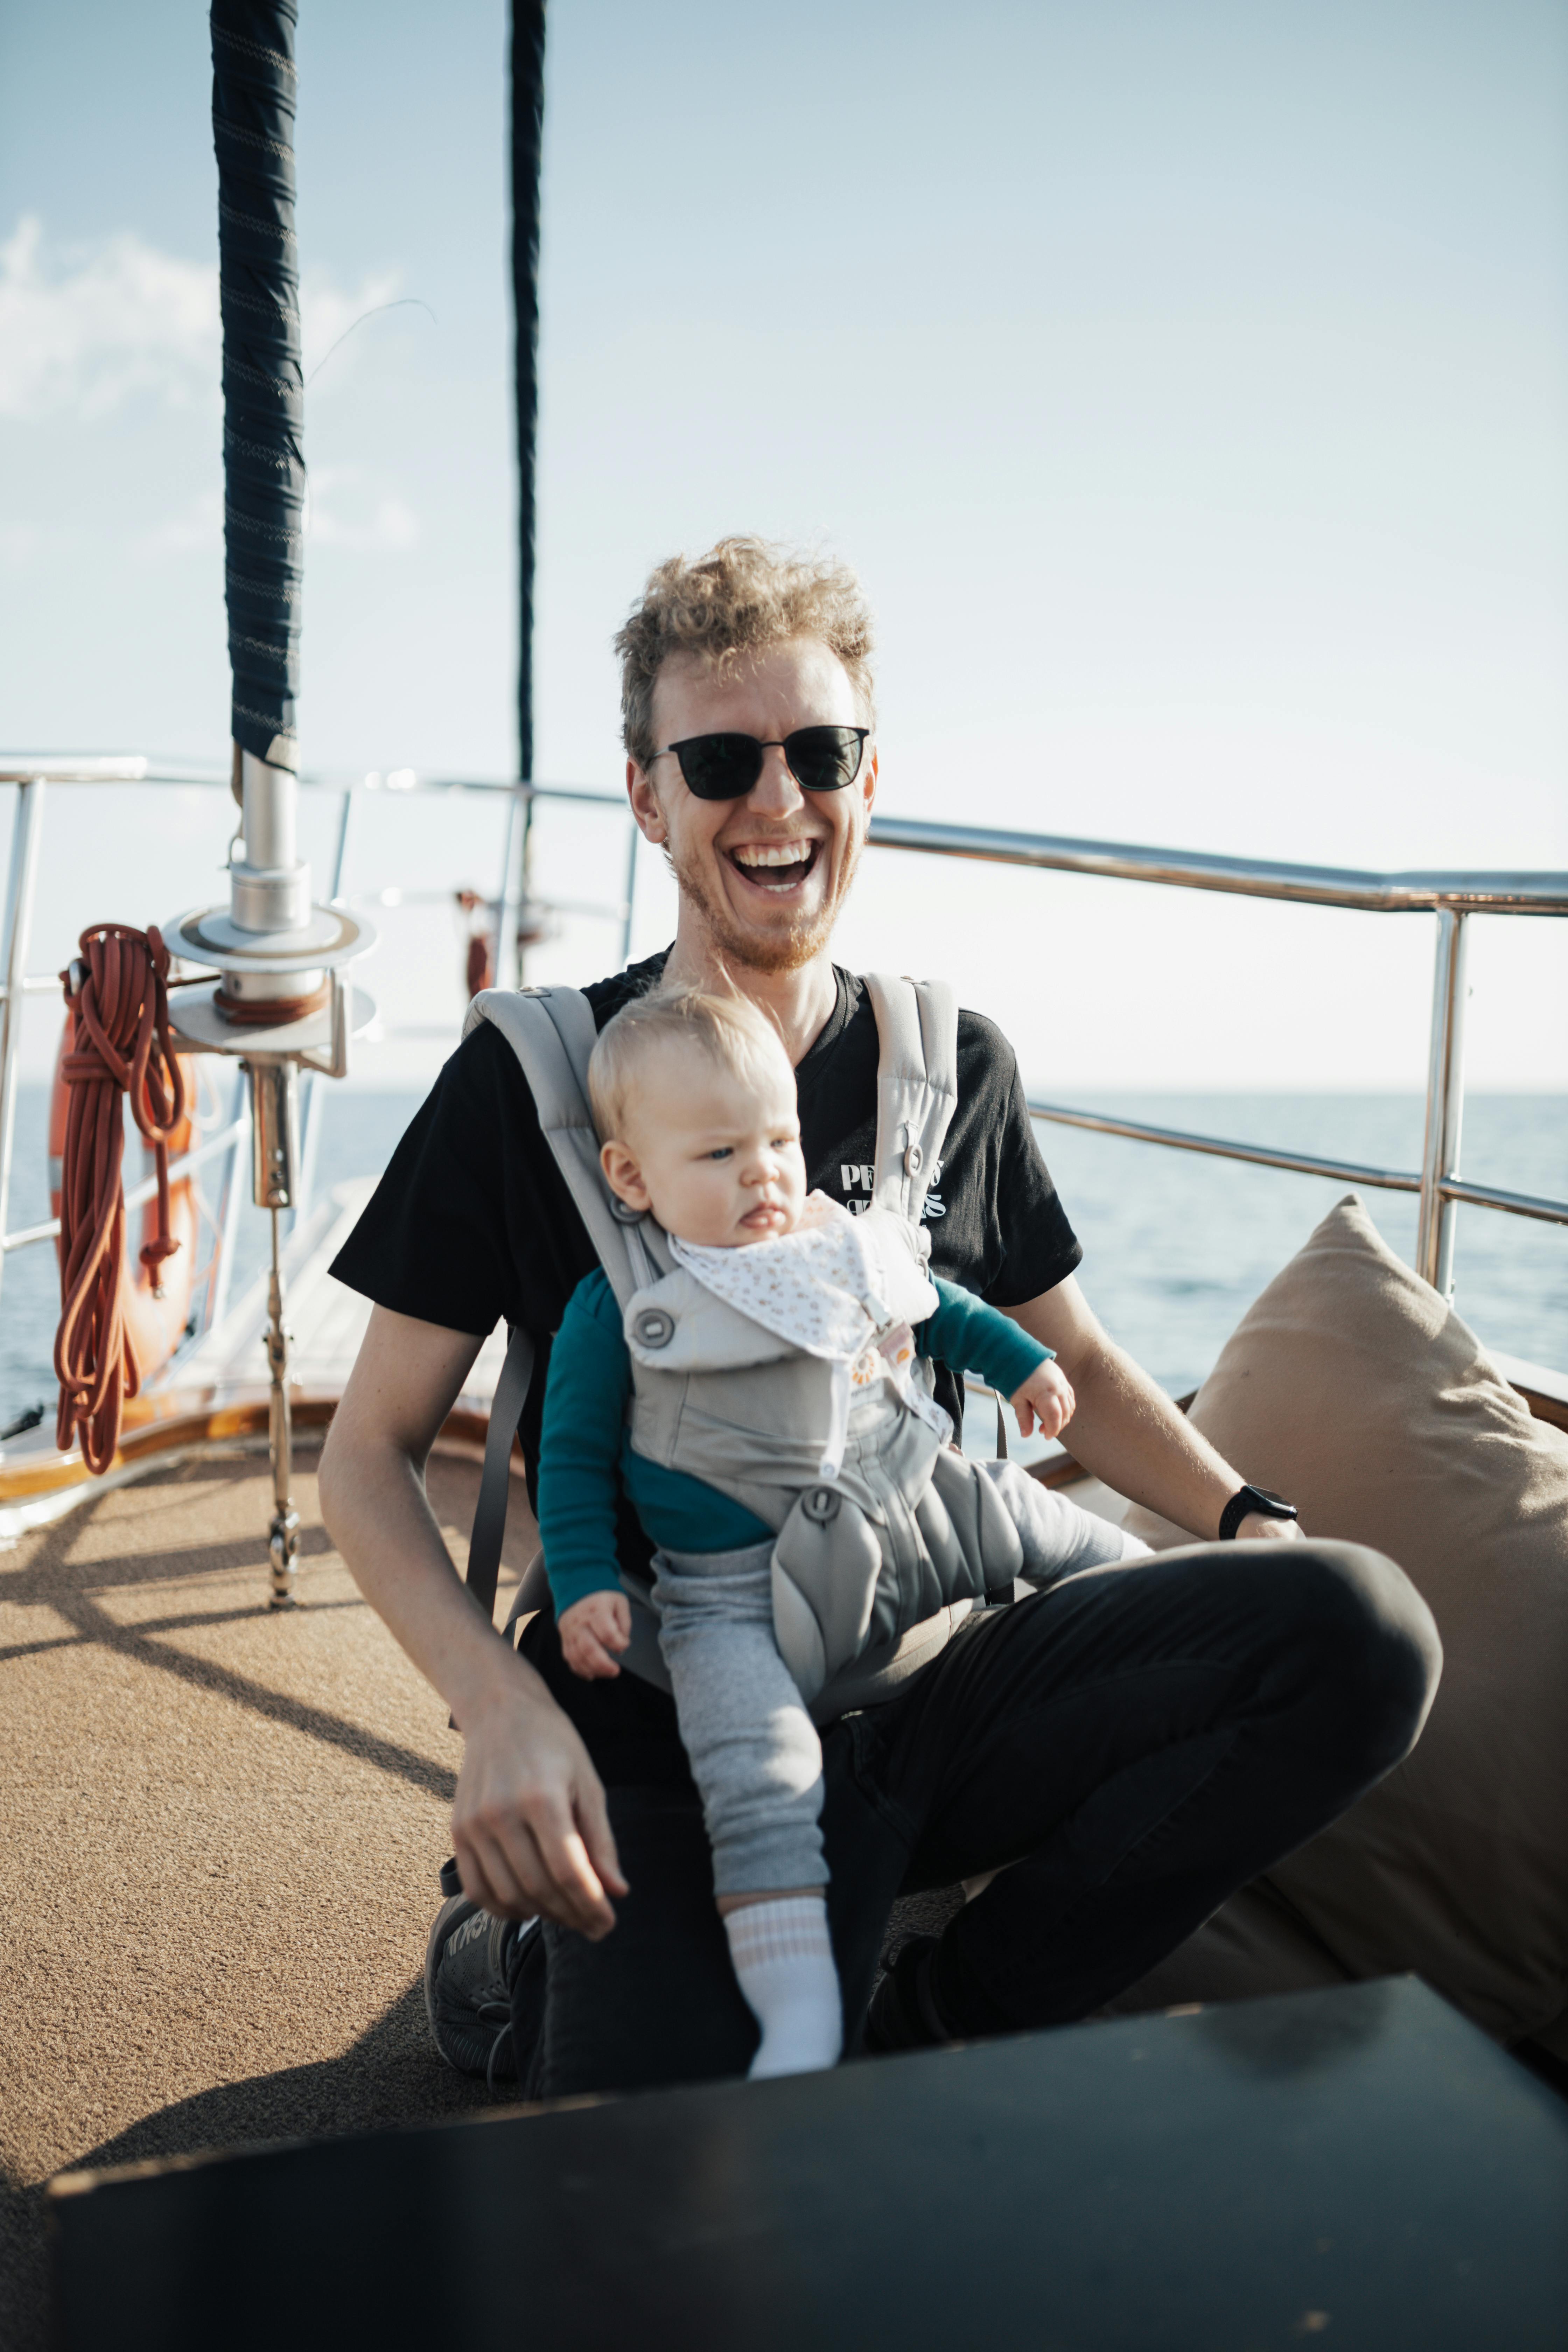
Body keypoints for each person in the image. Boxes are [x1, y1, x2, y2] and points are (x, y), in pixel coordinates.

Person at [318, 536, 1441, 2100]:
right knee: (676, 2203)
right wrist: (498, 1710)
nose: (775, 801)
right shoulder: (535, 1084)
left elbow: (1078, 1359)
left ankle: (942, 2021)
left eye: (816, 754)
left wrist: (1243, 1517)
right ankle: (514, 1974)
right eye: (719, 759)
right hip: (663, 1707)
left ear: (865, 779)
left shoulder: (951, 1066)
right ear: (646, 796)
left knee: (1356, 1632)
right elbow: (365, 1455)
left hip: (931, 1690)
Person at [543, 980, 1151, 2078]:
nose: (765, 1171)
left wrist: (1024, 1365)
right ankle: (801, 2017)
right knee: (756, 1772)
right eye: (720, 1154)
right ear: (631, 1178)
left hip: (918, 1502)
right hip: (733, 1598)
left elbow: (936, 1308)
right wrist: (587, 1580)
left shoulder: (838, 1238)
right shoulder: (623, 1302)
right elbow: (573, 1461)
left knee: (1055, 1532)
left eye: (778, 1140)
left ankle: (1171, 1587)